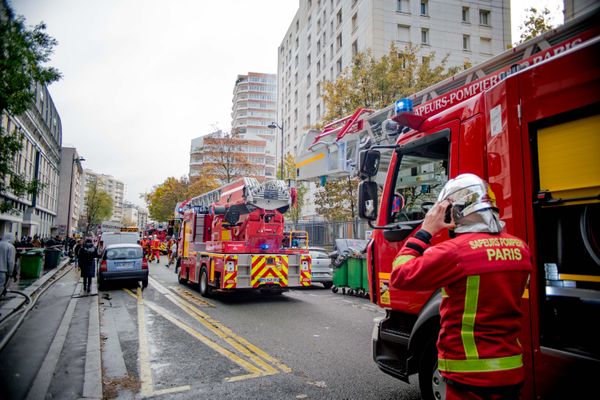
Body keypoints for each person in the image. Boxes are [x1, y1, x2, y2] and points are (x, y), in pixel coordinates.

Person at [390, 174, 532, 400]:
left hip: (468, 374)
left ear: (453, 211)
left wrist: (425, 230)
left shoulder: (455, 252)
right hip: (511, 369)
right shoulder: (520, 248)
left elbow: (400, 275)